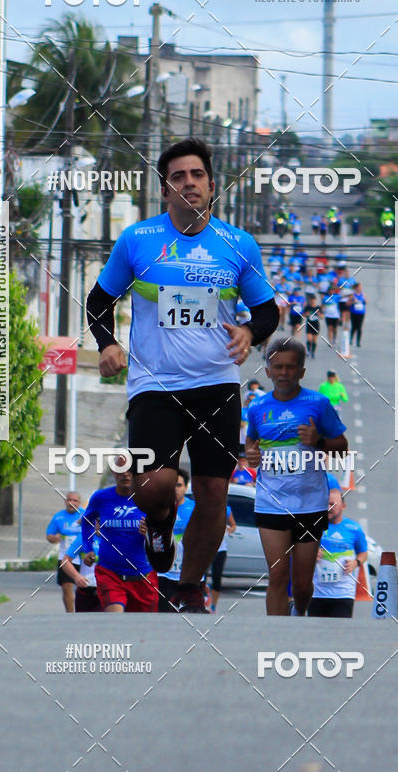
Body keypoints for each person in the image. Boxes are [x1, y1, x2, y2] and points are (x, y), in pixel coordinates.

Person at [86, 137, 278, 613]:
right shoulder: (138, 240)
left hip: (216, 383)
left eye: (196, 175)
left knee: (215, 491)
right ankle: (162, 524)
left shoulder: (237, 244)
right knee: (153, 486)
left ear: (212, 186)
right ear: (165, 189)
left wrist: (250, 333)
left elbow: (268, 311)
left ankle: (189, 586)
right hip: (155, 384)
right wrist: (107, 343)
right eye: (177, 177)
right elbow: (98, 300)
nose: (188, 183)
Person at [245, 337, 348, 616]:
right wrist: (252, 456)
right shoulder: (257, 408)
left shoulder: (318, 403)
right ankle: (277, 636)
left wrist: (319, 441)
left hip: (310, 503)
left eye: (291, 367)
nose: (284, 373)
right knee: (278, 576)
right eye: (277, 367)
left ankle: (299, 617)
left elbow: (342, 446)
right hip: (271, 502)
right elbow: (251, 443)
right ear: (267, 371)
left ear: (302, 371)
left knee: (302, 585)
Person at [81, 467, 158, 612]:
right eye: (120, 470)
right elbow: (86, 521)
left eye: (130, 470)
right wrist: (88, 549)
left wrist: (150, 532)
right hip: (110, 573)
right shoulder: (101, 497)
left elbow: (164, 533)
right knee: (115, 620)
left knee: (142, 630)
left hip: (143, 576)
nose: (125, 474)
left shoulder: (149, 498)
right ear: (114, 472)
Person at [308, 486, 367, 618]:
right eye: (326, 504)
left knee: (339, 632)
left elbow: (363, 553)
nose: (329, 507)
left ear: (343, 506)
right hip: (316, 592)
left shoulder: (354, 528)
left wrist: (356, 562)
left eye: (332, 504)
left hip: (343, 593)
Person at [157, 469, 196, 612]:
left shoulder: (195, 509)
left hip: (190, 574)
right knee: (166, 616)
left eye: (179, 485)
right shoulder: (158, 508)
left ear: (186, 487)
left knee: (190, 618)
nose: (175, 489)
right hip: (164, 573)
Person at [46, 492, 84, 613]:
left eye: (75, 500)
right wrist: (54, 538)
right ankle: (70, 613)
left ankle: (84, 611)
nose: (71, 503)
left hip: (84, 559)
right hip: (65, 558)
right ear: (65, 501)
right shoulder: (58, 517)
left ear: (79, 503)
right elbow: (49, 535)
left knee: (85, 588)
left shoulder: (85, 515)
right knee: (67, 586)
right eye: (69, 500)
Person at [61, 531, 102, 613]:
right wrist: (76, 576)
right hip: (86, 589)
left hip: (107, 590)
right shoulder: (84, 537)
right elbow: (65, 562)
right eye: (97, 521)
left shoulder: (115, 537)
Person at [207, 505, 237, 613]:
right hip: (205, 549)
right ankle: (204, 598)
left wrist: (229, 530)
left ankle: (213, 606)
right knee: (202, 577)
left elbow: (234, 526)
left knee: (217, 578)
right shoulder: (203, 507)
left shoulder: (226, 509)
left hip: (220, 550)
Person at [302, 293, 321, 359]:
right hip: (309, 324)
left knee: (314, 340)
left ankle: (313, 353)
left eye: (313, 300)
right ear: (309, 300)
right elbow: (303, 315)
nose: (312, 301)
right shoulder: (307, 307)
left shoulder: (318, 307)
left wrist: (319, 314)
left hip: (316, 325)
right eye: (311, 300)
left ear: (315, 300)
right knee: (309, 339)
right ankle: (308, 351)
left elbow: (322, 316)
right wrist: (306, 314)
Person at [322, 284, 341, 348]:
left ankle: (334, 338)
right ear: (328, 291)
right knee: (329, 328)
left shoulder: (336, 297)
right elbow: (323, 305)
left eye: (332, 290)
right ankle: (329, 341)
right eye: (330, 290)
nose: (331, 292)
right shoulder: (325, 298)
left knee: (335, 329)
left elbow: (343, 297)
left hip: (336, 316)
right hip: (328, 315)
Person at [349, 282, 367, 347]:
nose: (360, 288)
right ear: (356, 288)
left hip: (361, 313)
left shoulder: (363, 294)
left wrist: (364, 300)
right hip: (354, 313)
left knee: (359, 328)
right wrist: (353, 301)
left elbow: (366, 302)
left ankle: (358, 342)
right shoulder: (352, 295)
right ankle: (350, 340)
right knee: (354, 327)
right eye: (359, 287)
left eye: (361, 287)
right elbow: (348, 304)